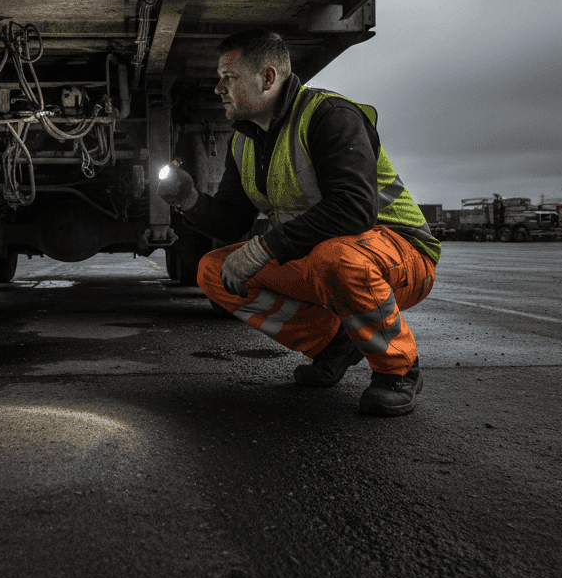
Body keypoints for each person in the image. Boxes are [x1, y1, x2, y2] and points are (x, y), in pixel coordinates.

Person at [157, 28, 440, 416]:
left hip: (401, 254)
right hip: (323, 255)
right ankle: (334, 346)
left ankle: (399, 369)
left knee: (335, 258)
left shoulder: (330, 116)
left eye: (229, 77)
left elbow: (354, 210)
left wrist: (264, 247)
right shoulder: (243, 141)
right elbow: (231, 221)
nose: (218, 88)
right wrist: (188, 199)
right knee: (214, 270)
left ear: (268, 78)